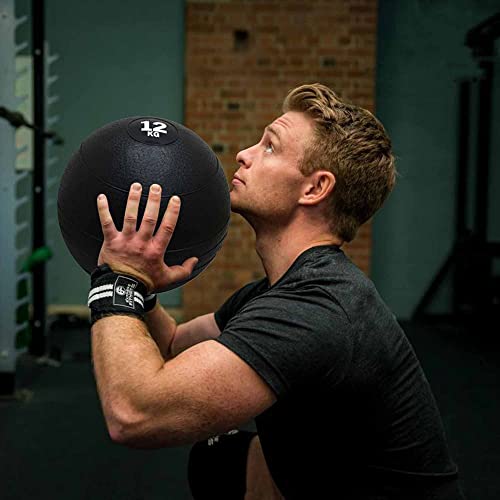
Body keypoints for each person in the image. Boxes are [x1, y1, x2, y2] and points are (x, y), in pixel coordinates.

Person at [89, 83, 465, 499]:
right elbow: (175, 346)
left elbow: (134, 414)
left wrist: (118, 279)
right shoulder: (281, 291)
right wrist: (142, 289)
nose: (244, 154)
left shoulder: (316, 310)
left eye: (270, 146)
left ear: (314, 189)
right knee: (220, 460)